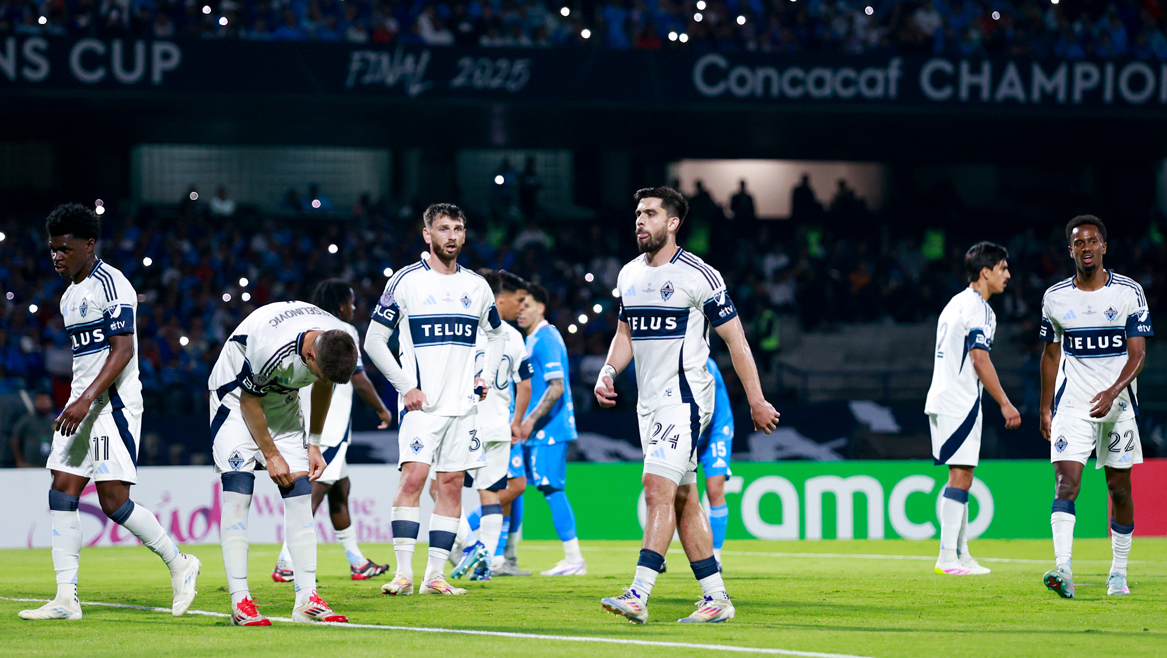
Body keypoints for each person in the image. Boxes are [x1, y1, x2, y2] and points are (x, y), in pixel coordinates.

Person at [595, 187, 780, 624]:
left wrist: (755, 399)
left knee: (655, 488)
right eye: (638, 213)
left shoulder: (700, 275)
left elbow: (736, 340)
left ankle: (638, 593)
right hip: (649, 405)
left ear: (673, 223)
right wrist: (608, 371)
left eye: (651, 214)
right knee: (682, 498)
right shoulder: (628, 275)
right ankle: (716, 598)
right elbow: (625, 335)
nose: (640, 220)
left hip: (686, 398)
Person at [20, 204, 201, 621]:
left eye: (65, 248)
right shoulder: (69, 297)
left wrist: (86, 401)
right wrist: (76, 400)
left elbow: (123, 350)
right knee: (62, 489)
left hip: (111, 406)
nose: (57, 256)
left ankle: (180, 564)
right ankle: (66, 599)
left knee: (114, 502)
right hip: (81, 406)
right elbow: (87, 358)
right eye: (52, 249)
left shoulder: (112, 284)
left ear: (88, 244)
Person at [364, 203, 505, 597]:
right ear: (427, 234)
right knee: (413, 478)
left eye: (458, 228)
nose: (452, 236)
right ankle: (404, 572)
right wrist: (404, 386)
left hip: (463, 406)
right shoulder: (406, 281)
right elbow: (373, 340)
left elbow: (495, 334)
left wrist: (486, 375)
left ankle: (435, 576)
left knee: (452, 484)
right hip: (421, 405)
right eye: (443, 229)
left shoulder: (476, 286)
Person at [210, 300, 359, 625]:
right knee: (239, 491)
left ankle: (307, 599)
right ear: (310, 357)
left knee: (300, 493)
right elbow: (250, 401)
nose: (321, 376)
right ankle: (240, 603)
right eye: (318, 370)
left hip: (283, 399)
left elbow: (324, 385)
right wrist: (271, 454)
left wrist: (315, 443)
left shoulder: (335, 339)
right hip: (235, 398)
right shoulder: (270, 347)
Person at [1038, 216, 1151, 599]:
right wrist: (1044, 408)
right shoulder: (1055, 298)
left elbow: (1138, 355)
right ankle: (1063, 569)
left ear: (1104, 246)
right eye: (1078, 243)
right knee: (1066, 483)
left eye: (1092, 241)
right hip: (1072, 405)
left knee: (1119, 490)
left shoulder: (1129, 293)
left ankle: (1118, 573)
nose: (1086, 248)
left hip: (1118, 406)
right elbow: (1051, 355)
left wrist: (1113, 391)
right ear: (1070, 251)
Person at [271, 279, 394, 583]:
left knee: (341, 490)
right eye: (351, 303)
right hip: (329, 426)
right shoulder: (342, 332)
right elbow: (360, 379)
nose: (353, 308)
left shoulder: (308, 327)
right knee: (315, 493)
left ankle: (357, 561)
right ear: (341, 305)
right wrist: (381, 408)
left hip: (308, 418)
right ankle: (286, 561)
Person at [924, 242, 1021, 576]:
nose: (1007, 275)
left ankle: (960, 553)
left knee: (962, 475)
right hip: (958, 401)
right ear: (985, 272)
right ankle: (947, 558)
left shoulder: (956, 303)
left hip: (947, 398)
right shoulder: (978, 307)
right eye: (1002, 269)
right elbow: (980, 359)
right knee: (960, 475)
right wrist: (1005, 403)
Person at [450, 270, 534, 581]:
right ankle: (485, 559)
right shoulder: (512, 337)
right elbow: (524, 384)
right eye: (518, 301)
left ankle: (469, 544)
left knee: (441, 487)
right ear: (498, 300)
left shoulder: (464, 329)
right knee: (491, 494)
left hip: (464, 421)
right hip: (499, 424)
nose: (521, 308)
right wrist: (516, 422)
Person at [516, 282, 585, 576]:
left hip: (548, 429)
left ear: (541, 308)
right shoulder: (532, 340)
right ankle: (503, 554)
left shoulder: (546, 338)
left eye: (527, 306)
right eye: (518, 306)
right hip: (535, 430)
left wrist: (529, 420)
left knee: (551, 488)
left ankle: (574, 558)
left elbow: (556, 387)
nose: (521, 311)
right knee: (514, 487)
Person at [698, 357, 734, 568]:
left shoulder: (705, 364)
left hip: (715, 430)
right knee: (671, 491)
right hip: (690, 429)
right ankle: (658, 554)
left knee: (714, 489)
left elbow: (707, 407)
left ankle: (715, 555)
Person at [11, 391, 55, 468]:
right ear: (35, 402)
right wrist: (19, 460)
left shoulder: (55, 420)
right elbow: (15, 439)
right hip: (30, 464)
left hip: (52, 463)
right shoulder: (26, 420)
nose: (43, 403)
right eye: (40, 400)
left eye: (45, 400)